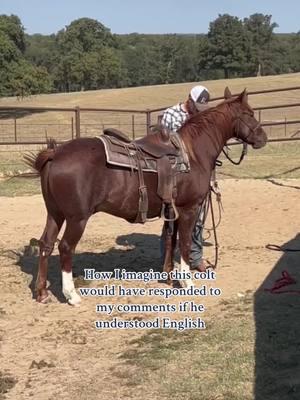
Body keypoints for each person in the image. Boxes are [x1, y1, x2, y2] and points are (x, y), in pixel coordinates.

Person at [160, 84, 210, 272]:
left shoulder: (201, 116)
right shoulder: (171, 114)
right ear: (189, 99)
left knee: (197, 216)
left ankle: (195, 258)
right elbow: (163, 142)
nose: (198, 110)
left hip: (197, 172)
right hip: (176, 173)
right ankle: (167, 259)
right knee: (171, 218)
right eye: (196, 105)